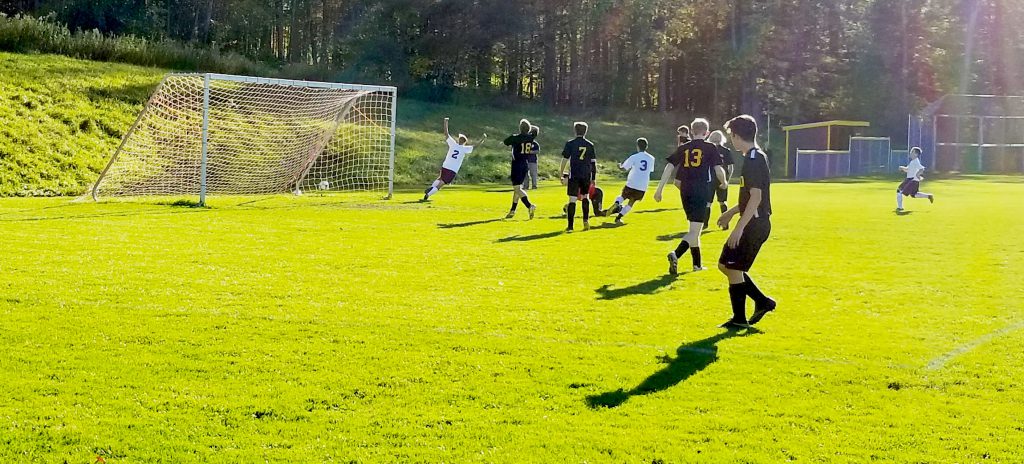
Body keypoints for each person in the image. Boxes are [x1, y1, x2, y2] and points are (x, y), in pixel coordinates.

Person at [717, 115, 776, 329]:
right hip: (754, 221)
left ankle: (741, 318)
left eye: (731, 135)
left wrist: (738, 229)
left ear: (735, 135)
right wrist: (731, 212)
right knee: (727, 265)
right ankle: (761, 302)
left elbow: (757, 198)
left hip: (754, 224)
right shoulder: (753, 156)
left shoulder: (753, 159)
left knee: (731, 267)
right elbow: (750, 197)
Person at [654, 118, 728, 274]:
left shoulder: (684, 147)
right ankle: (676, 254)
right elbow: (718, 169)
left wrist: (659, 189)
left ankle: (697, 265)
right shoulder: (710, 147)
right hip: (701, 190)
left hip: (685, 191)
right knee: (695, 230)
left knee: (694, 228)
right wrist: (724, 182)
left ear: (692, 131)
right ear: (707, 133)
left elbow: (669, 166)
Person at [422, 118, 486, 201]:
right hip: (453, 169)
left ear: (459, 140)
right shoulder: (464, 149)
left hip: (445, 165)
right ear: (464, 142)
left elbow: (446, 133)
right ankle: (429, 193)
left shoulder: (453, 144)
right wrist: (483, 139)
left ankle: (431, 188)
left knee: (440, 178)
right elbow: (476, 146)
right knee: (442, 183)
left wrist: (445, 122)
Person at [606, 138, 656, 224]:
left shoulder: (634, 157)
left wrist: (619, 166)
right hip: (642, 185)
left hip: (632, 182)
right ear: (646, 147)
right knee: (631, 202)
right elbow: (650, 170)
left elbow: (624, 168)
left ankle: (617, 203)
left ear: (637, 146)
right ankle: (618, 218)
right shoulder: (651, 158)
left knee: (623, 196)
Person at [560, 122, 597, 232]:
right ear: (586, 131)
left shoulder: (570, 143)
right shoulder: (590, 145)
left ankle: (570, 226)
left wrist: (561, 173)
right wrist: (593, 177)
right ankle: (585, 221)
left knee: (572, 199)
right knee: (585, 197)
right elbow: (593, 163)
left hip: (574, 174)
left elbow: (565, 159)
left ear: (575, 130)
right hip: (586, 174)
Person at [502, 119, 538, 219]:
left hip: (517, 164)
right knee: (517, 189)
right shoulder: (531, 137)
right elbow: (536, 129)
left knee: (517, 188)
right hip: (525, 164)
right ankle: (512, 211)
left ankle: (529, 205)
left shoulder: (515, 138)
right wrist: (530, 128)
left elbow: (505, 142)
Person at [706, 130, 735, 229]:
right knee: (723, 201)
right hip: (722, 179)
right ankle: (725, 224)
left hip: (710, 179)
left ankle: (704, 224)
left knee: (708, 203)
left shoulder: (708, 150)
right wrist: (727, 179)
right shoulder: (726, 151)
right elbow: (730, 167)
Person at [896, 147, 935, 211]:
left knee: (899, 190)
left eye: (912, 152)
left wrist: (917, 175)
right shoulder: (913, 161)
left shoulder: (916, 161)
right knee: (914, 194)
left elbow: (921, 169)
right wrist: (902, 168)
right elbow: (908, 170)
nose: (910, 153)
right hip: (913, 180)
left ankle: (900, 207)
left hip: (912, 180)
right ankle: (929, 196)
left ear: (916, 154)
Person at [521, 126, 540, 190]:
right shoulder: (524, 143)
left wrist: (531, 151)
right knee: (525, 174)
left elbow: (537, 151)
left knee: (533, 174)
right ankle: (526, 186)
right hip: (525, 160)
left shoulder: (535, 143)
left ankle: (534, 185)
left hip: (533, 161)